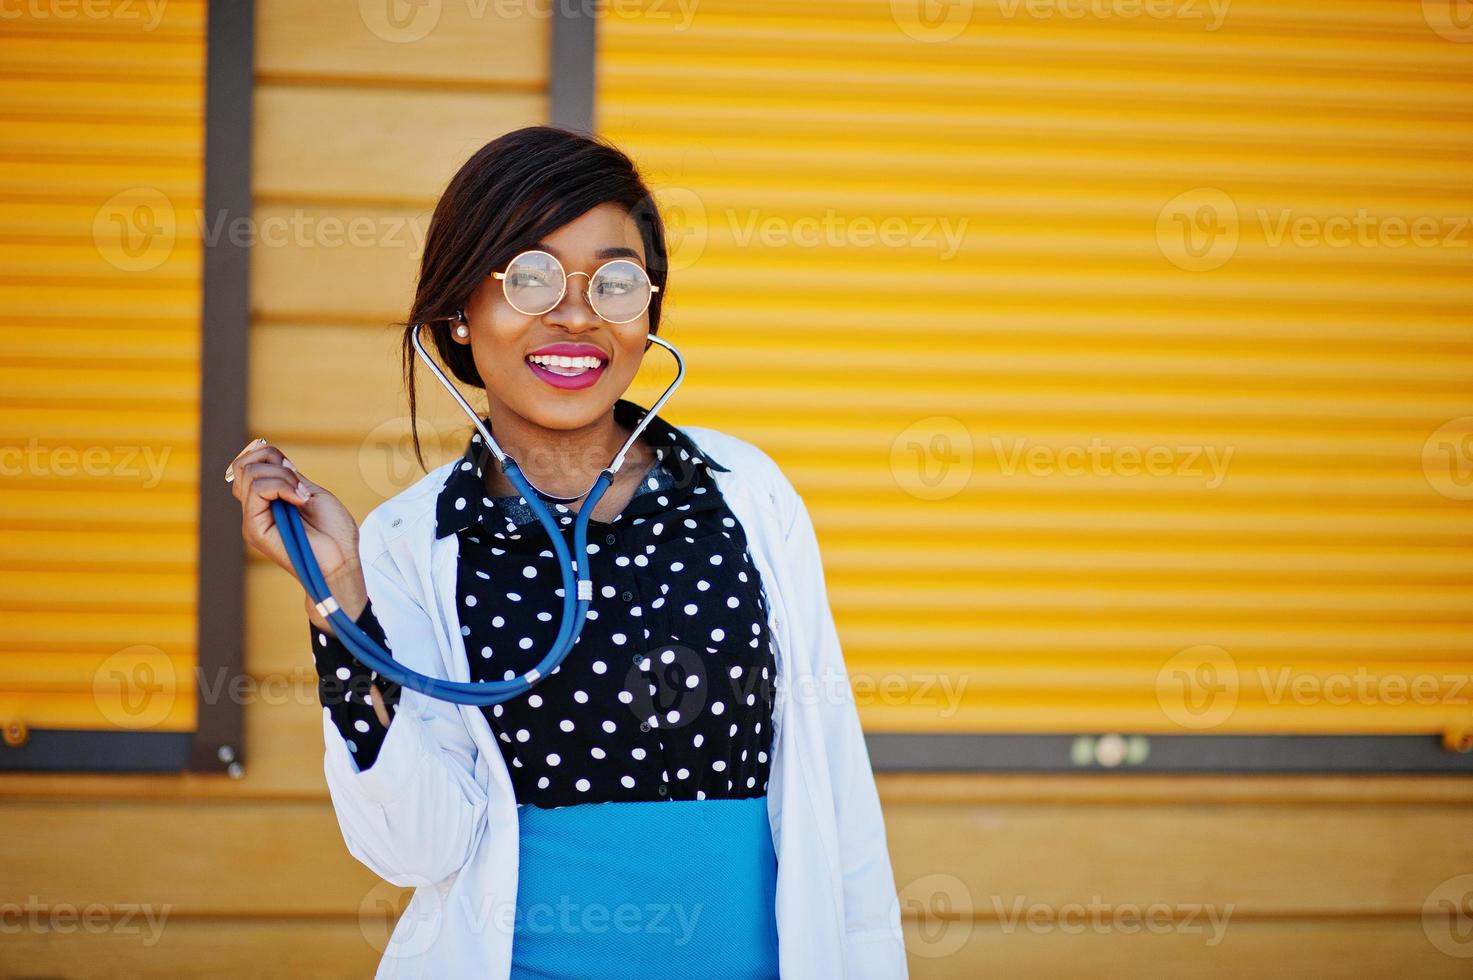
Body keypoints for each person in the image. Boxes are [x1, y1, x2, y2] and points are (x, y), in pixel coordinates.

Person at [228, 125, 907, 979]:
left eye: (614, 281)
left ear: (648, 310)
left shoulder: (748, 491)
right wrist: (338, 601)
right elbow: (416, 848)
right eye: (530, 277)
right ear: (459, 315)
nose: (577, 313)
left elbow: (835, 790)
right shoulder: (410, 541)